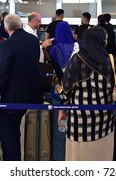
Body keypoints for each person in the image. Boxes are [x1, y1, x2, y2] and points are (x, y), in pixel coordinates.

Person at [57, 27, 116, 160]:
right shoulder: (112, 61)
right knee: (102, 156)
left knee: (79, 158)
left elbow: (66, 89)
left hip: (79, 121)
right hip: (105, 120)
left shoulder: (77, 59)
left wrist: (63, 108)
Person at [0, 14, 43, 161]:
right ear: (21, 25)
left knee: (10, 136)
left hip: (11, 97)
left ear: (5, 28)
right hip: (31, 94)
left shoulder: (6, 45)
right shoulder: (33, 41)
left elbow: (2, 73)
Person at [49, 21, 79, 161]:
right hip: (78, 91)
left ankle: (60, 158)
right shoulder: (79, 46)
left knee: (60, 126)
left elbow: (59, 74)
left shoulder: (54, 50)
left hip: (61, 90)